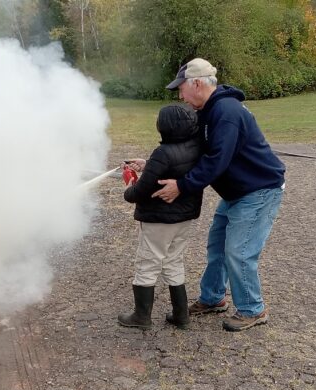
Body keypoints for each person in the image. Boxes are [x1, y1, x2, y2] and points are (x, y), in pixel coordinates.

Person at [152, 58, 285, 332]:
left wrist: (181, 186)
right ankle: (213, 298)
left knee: (239, 251)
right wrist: (151, 165)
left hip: (258, 191)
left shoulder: (225, 112)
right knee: (217, 245)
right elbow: (193, 152)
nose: (180, 95)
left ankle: (252, 309)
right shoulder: (208, 111)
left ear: (197, 84)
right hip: (237, 192)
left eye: (182, 89)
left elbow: (215, 162)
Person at [118, 104, 205, 330]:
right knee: (173, 260)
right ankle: (181, 316)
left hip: (158, 219)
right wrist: (148, 165)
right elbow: (173, 167)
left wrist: (128, 186)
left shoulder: (163, 153)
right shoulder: (196, 148)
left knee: (148, 263)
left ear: (164, 127)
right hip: (184, 218)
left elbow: (139, 191)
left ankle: (141, 317)